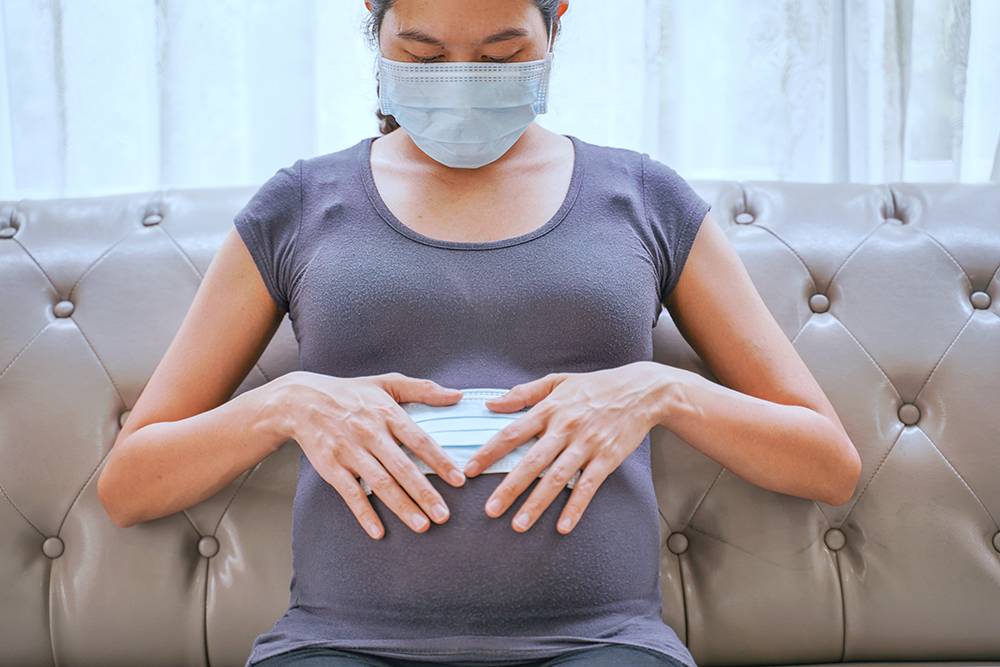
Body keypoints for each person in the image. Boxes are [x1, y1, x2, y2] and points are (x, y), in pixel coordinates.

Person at [97, 1, 862, 666]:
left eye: (501, 55)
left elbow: (828, 465)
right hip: (340, 645)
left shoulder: (643, 199)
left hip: (603, 644)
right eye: (422, 54)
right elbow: (129, 484)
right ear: (374, 24)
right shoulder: (300, 205)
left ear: (556, 25)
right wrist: (286, 404)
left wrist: (662, 389)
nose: (460, 78)